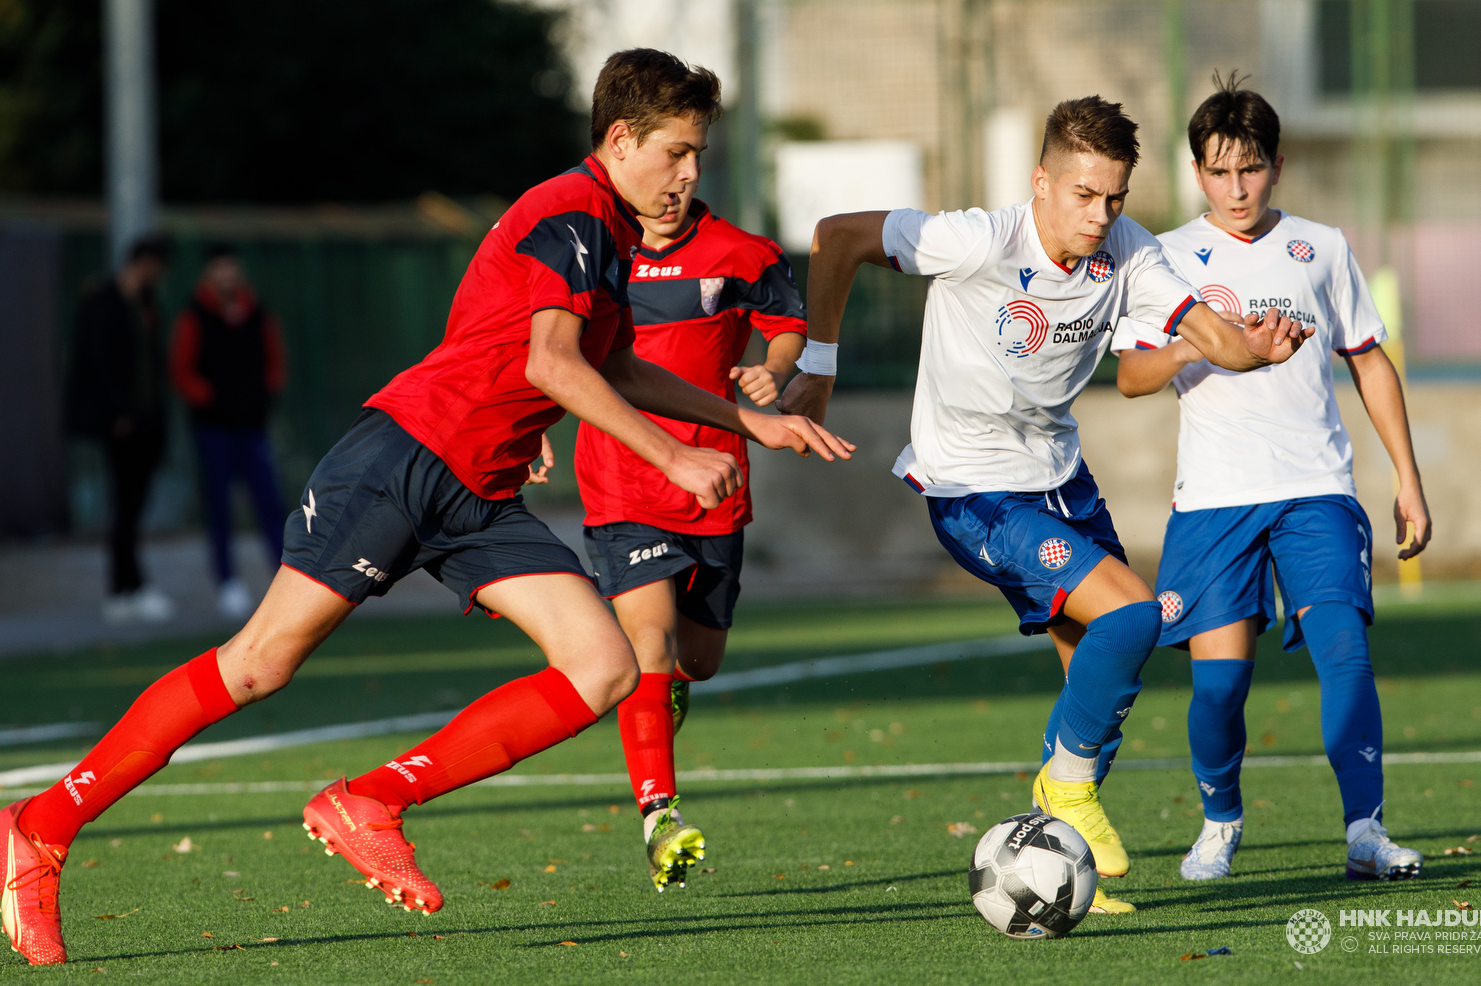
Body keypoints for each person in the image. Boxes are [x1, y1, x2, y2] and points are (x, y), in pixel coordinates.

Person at [0, 48, 852, 966]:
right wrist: (676, 455)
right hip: (407, 457)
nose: (692, 174)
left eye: (698, 156)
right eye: (679, 152)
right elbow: (552, 364)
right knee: (258, 663)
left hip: (479, 489)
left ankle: (372, 799)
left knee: (601, 667)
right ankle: (39, 829)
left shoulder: (606, 229)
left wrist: (744, 425)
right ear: (620, 138)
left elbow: (607, 364)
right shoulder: (571, 211)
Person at [778, 95, 1311, 914]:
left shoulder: (1127, 251)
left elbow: (1211, 335)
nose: (1101, 215)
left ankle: (1058, 864)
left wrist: (1256, 349)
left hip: (1062, 478)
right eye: (1083, 194)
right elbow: (838, 234)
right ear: (1041, 182)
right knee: (1135, 617)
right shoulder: (979, 239)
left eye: (1115, 197)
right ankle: (1061, 792)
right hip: (973, 489)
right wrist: (820, 360)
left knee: (1101, 681)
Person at [1109, 75, 1431, 883]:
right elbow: (1130, 379)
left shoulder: (1321, 247)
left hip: (1315, 488)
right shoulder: (1165, 256)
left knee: (1345, 655)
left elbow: (1368, 360)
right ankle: (1220, 820)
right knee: (1220, 687)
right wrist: (1202, 346)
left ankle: (1365, 827)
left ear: (1277, 165)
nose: (1236, 187)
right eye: (1218, 172)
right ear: (1197, 174)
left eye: (1249, 168)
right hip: (1214, 502)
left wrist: (1408, 478)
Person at [574, 187, 805, 891]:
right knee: (649, 641)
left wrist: (776, 368)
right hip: (621, 479)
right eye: (669, 156)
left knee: (695, 663)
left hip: (716, 482)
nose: (677, 182)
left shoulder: (742, 252)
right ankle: (659, 813)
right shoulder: (592, 254)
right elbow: (549, 349)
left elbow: (788, 322)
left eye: (691, 158)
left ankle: (662, 695)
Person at [169, 244, 289, 618]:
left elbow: (275, 361)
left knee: (270, 503)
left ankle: (286, 580)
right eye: (219, 271)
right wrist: (211, 399)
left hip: (253, 426)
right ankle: (227, 582)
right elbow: (181, 370)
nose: (226, 279)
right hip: (214, 428)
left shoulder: (257, 313)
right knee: (219, 507)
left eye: (231, 270)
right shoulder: (194, 317)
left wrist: (264, 395)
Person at [65, 235, 177, 624]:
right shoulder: (103, 302)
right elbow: (94, 362)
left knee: (133, 505)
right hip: (121, 425)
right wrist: (117, 412)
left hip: (146, 423)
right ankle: (123, 588)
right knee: (124, 506)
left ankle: (132, 586)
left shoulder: (147, 306)